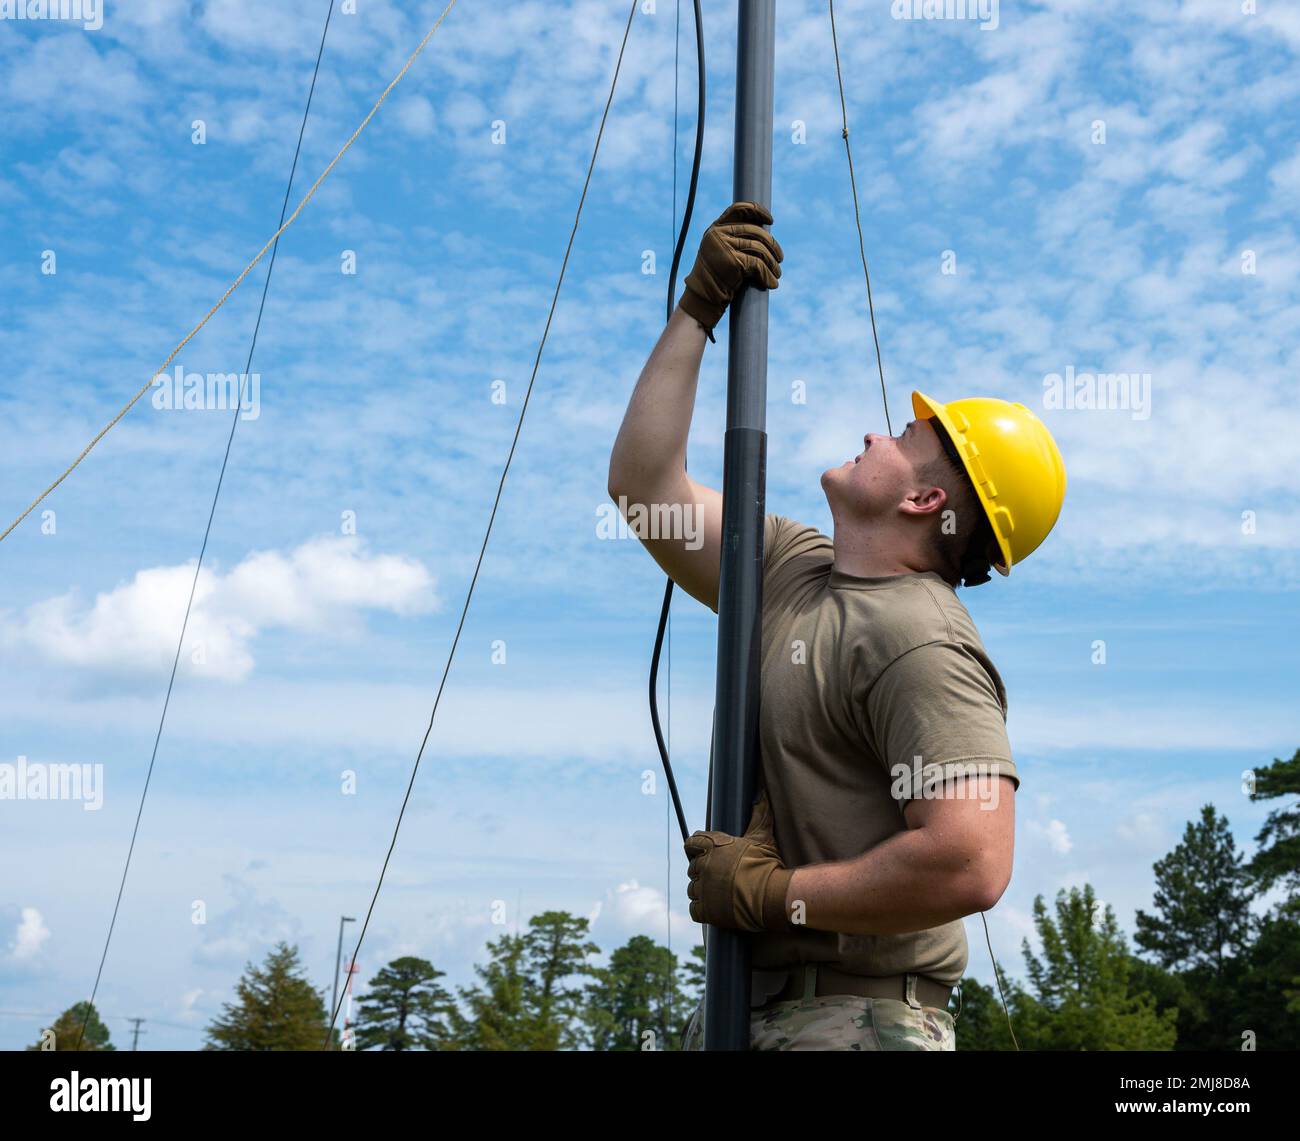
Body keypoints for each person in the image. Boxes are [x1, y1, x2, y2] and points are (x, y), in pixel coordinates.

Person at [607, 202, 1067, 1051]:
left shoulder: (922, 640)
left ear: (924, 499)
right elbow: (644, 490)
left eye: (901, 435)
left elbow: (972, 858)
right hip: (760, 1010)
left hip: (858, 1018)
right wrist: (697, 309)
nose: (871, 430)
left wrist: (773, 895)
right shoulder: (792, 566)